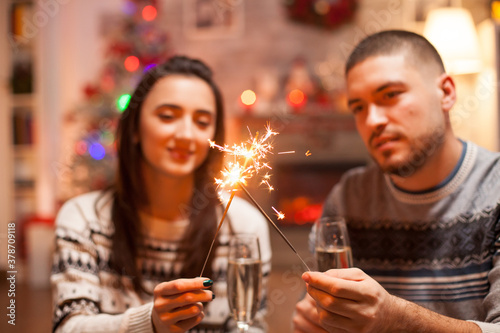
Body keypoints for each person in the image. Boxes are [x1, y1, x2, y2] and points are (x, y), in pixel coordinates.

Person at [293, 30, 500, 332]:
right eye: (358, 107)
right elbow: (319, 310)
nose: (373, 121)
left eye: (390, 95)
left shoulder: (494, 190)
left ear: (446, 93)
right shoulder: (349, 197)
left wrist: (395, 318)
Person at [51, 56, 271, 333]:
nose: (186, 134)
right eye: (167, 116)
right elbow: (68, 327)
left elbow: (251, 326)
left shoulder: (244, 226)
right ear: (134, 130)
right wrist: (151, 323)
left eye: (202, 122)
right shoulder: (83, 219)